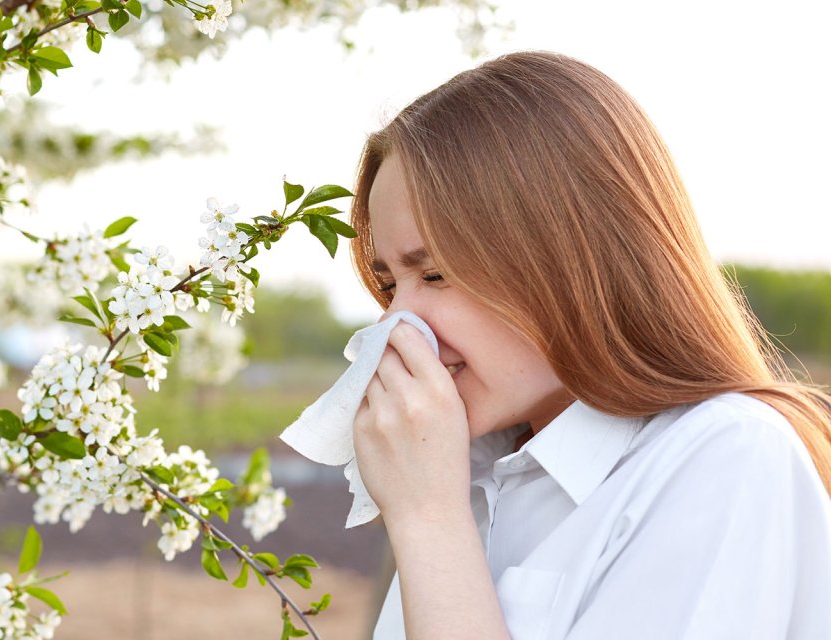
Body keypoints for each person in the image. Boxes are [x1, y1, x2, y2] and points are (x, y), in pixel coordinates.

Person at [348, 50, 831, 639]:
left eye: (436, 275)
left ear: (569, 258)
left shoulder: (725, 456)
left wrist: (429, 520)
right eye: (388, 283)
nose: (397, 325)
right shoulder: (467, 472)